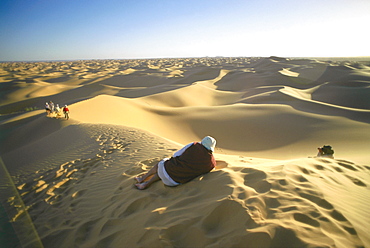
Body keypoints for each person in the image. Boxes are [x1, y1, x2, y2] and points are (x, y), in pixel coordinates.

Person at [135, 136, 217, 190]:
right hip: (176, 182)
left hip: (169, 171)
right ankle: (145, 183)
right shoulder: (211, 162)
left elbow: (176, 155)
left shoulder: (194, 145)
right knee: (165, 171)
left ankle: (143, 180)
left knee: (161, 165)